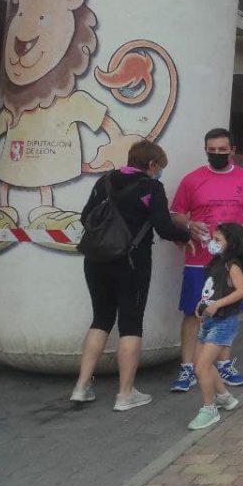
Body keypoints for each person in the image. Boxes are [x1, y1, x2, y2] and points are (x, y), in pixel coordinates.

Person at [71, 141, 190, 410]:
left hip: (96, 260)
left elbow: (86, 217)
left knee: (100, 319)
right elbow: (165, 228)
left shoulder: (105, 181)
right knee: (130, 323)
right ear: (151, 164)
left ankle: (81, 386)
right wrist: (187, 235)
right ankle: (125, 394)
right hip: (131, 263)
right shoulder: (152, 188)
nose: (159, 172)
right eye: (159, 167)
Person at [170, 129, 243, 393]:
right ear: (205, 149)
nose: (216, 154)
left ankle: (223, 364)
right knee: (192, 312)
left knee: (228, 312)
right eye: (211, 150)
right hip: (197, 258)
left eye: (222, 150)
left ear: (232, 149)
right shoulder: (192, 180)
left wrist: (237, 235)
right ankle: (187, 368)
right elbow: (176, 212)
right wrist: (189, 224)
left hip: (230, 261)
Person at [186, 223, 243, 430]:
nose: (212, 243)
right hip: (209, 320)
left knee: (201, 367)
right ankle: (224, 396)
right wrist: (203, 303)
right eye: (213, 239)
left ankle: (209, 408)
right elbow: (213, 290)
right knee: (201, 363)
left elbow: (241, 291)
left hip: (223, 322)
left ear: (231, 243)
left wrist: (217, 305)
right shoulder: (217, 262)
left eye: (218, 240)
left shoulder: (232, 265)